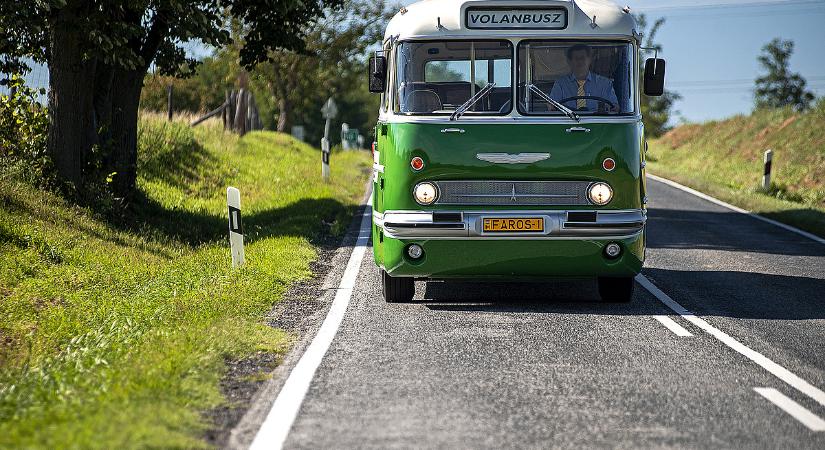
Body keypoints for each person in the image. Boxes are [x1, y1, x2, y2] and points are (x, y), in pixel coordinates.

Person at [549, 44, 619, 112]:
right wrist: (551, 106)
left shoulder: (605, 84)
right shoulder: (560, 84)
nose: (580, 62)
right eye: (576, 58)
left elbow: (614, 108)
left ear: (589, 60)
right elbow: (552, 107)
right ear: (570, 62)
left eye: (583, 58)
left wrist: (613, 108)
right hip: (568, 121)